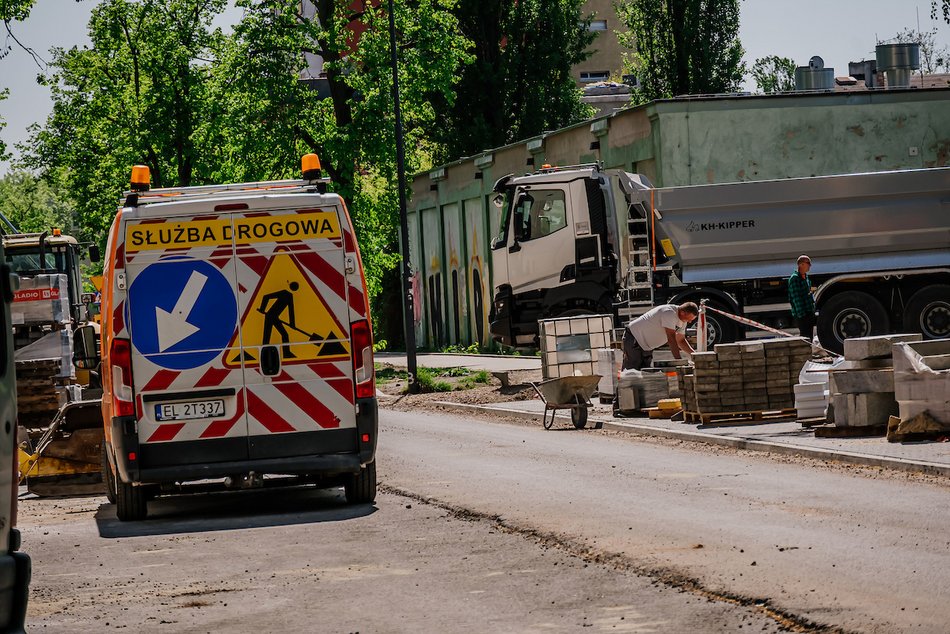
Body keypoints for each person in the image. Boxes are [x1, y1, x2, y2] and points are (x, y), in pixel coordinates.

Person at [622, 302, 699, 370]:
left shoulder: (683, 321)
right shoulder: (669, 313)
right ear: (682, 312)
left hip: (646, 346)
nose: (690, 321)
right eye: (689, 319)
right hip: (634, 338)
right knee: (631, 371)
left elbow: (680, 340)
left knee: (644, 374)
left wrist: (695, 355)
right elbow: (671, 338)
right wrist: (679, 361)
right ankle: (622, 386)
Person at [788, 255, 816, 343]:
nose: (810, 266)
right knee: (805, 337)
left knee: (810, 337)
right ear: (801, 264)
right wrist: (802, 315)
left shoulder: (806, 277)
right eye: (808, 263)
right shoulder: (794, 279)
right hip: (802, 315)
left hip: (809, 312)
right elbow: (796, 299)